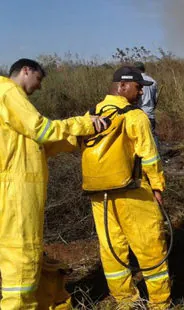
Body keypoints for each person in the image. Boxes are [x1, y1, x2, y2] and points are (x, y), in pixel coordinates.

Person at [0, 58, 106, 309]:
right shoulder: (8, 92)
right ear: (26, 71)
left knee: (25, 256)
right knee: (22, 258)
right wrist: (82, 123)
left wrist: (77, 138)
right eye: (38, 79)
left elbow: (36, 147)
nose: (39, 87)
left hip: (14, 189)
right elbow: (41, 130)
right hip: (15, 193)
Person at [85, 66, 171, 308]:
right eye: (138, 86)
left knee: (112, 249)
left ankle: (125, 302)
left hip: (98, 194)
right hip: (134, 192)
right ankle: (159, 303)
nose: (142, 91)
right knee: (150, 246)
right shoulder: (135, 116)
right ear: (122, 86)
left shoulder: (90, 113)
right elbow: (150, 157)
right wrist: (158, 187)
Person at [134, 62, 159, 147]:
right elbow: (155, 99)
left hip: (138, 114)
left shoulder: (134, 81)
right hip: (150, 113)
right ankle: (157, 156)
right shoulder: (153, 81)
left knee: (139, 137)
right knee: (152, 135)